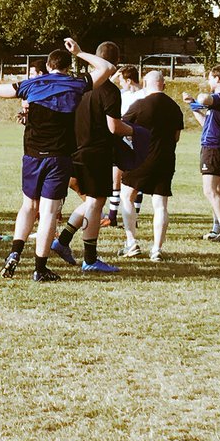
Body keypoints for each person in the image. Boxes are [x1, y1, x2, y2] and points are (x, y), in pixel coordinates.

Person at [0, 38, 113, 283]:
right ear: (68, 67)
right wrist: (80, 52)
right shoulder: (77, 84)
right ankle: (40, 268)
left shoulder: (32, 84)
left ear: (47, 65)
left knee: (28, 206)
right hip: (59, 157)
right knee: (48, 212)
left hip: (32, 155)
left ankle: (14, 253)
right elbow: (108, 68)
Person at [52, 41, 132, 274]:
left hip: (72, 150)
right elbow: (114, 127)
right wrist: (134, 131)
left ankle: (63, 241)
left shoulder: (78, 85)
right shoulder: (109, 90)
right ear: (115, 64)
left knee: (90, 202)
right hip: (95, 153)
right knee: (96, 204)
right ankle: (90, 258)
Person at [119, 70, 184, 261]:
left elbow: (122, 128)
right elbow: (176, 137)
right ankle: (156, 249)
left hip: (141, 158)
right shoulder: (174, 107)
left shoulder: (139, 105)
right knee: (160, 204)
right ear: (163, 85)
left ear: (146, 84)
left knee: (127, 196)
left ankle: (131, 242)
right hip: (165, 159)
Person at [182, 64, 220, 241]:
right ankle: (216, 228)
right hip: (211, 144)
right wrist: (192, 106)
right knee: (216, 190)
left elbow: (205, 99)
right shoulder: (219, 101)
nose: (208, 81)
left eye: (210, 77)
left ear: (218, 78)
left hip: (213, 147)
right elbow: (206, 123)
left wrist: (198, 99)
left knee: (209, 190)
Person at [105, 64, 142, 227]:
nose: (120, 84)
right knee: (116, 179)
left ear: (129, 80)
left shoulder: (143, 96)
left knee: (135, 182)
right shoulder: (122, 94)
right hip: (121, 139)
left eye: (122, 80)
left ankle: (134, 217)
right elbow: (107, 87)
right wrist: (114, 76)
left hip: (137, 141)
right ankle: (112, 217)